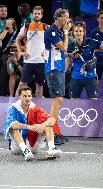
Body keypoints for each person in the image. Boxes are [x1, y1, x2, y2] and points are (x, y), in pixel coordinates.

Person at [67, 22, 103, 100]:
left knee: (93, 102)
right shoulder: (70, 46)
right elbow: (65, 56)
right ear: (73, 33)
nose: (78, 33)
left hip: (90, 77)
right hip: (76, 77)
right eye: (76, 31)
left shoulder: (90, 42)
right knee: (73, 102)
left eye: (80, 31)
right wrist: (69, 55)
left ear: (84, 32)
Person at [3, 86, 62, 161]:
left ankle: (51, 149)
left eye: (29, 96)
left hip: (33, 143)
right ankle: (26, 151)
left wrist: (42, 125)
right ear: (20, 97)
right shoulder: (13, 108)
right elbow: (12, 125)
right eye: (24, 96)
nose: (27, 98)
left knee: (48, 125)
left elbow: (52, 120)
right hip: (18, 147)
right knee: (13, 128)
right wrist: (29, 127)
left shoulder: (34, 107)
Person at [44, 8, 71, 145]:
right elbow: (64, 47)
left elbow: (64, 51)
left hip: (59, 68)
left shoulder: (58, 32)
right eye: (67, 17)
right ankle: (51, 133)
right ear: (60, 18)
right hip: (53, 69)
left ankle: (55, 132)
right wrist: (66, 32)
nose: (68, 20)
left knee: (58, 100)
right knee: (57, 99)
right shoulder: (52, 31)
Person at [15, 6, 46, 98]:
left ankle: (37, 107)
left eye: (38, 14)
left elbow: (51, 43)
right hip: (28, 61)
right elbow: (17, 39)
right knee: (22, 84)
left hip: (41, 61)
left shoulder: (45, 27)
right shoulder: (26, 26)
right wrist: (20, 52)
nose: (36, 15)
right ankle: (15, 105)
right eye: (35, 13)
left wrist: (46, 53)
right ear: (32, 15)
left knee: (39, 85)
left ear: (41, 15)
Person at [0, 18, 19, 96]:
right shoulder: (4, 33)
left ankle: (14, 94)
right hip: (6, 57)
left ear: (13, 25)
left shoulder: (17, 34)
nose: (7, 25)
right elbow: (1, 38)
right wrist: (6, 29)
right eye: (6, 23)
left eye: (9, 23)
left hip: (15, 56)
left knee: (13, 76)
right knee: (3, 77)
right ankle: (4, 94)